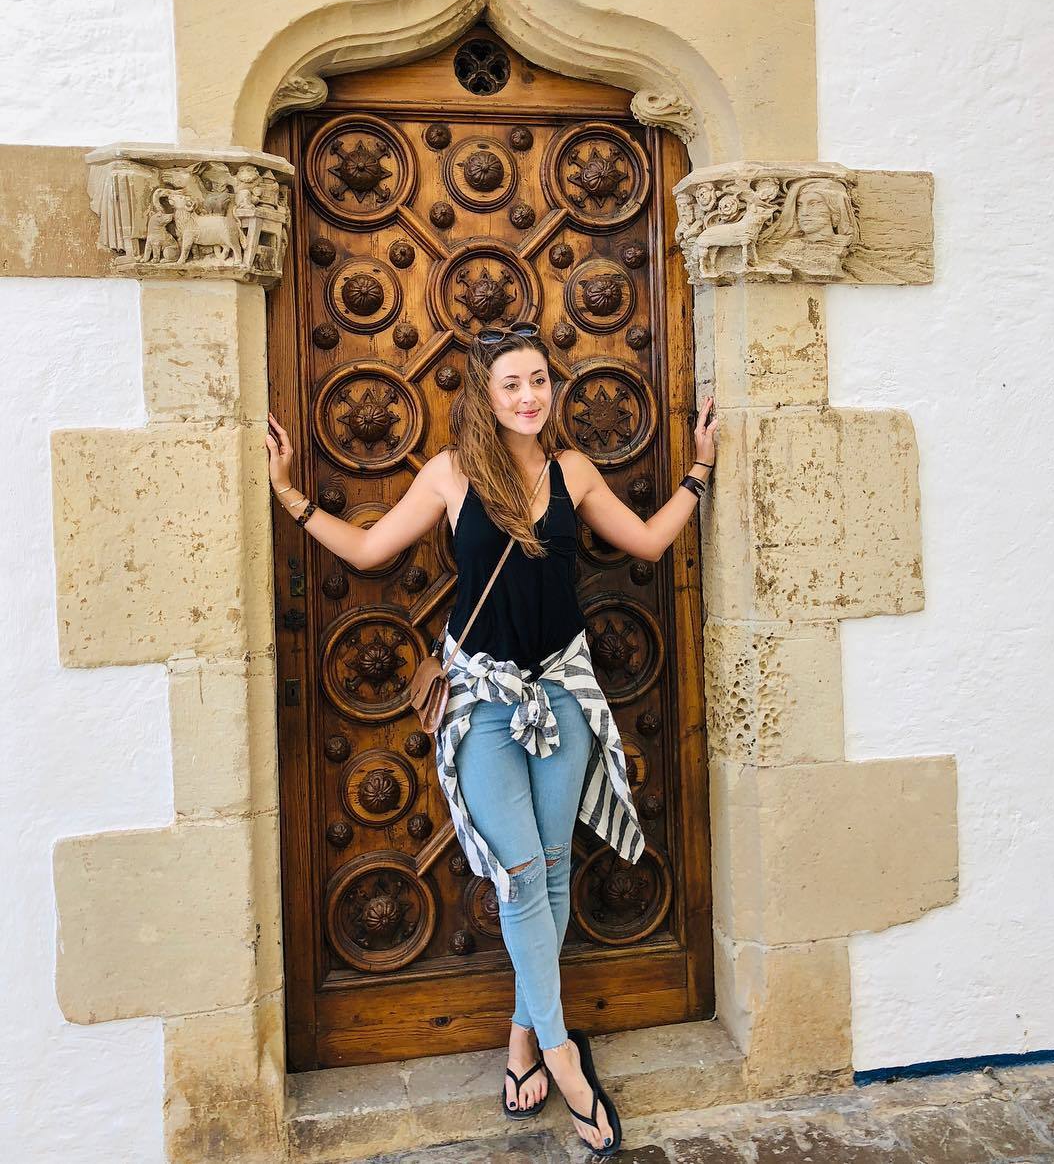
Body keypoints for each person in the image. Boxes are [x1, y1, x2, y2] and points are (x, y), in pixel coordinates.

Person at [266, 321, 718, 1155]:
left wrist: (699, 469)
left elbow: (651, 541)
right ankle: (564, 1060)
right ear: (485, 392)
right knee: (519, 878)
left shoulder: (572, 471)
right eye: (512, 383)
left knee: (551, 870)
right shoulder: (450, 474)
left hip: (564, 694)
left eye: (538, 380)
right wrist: (290, 493)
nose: (529, 396)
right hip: (481, 703)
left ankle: (520, 1041)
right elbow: (366, 549)